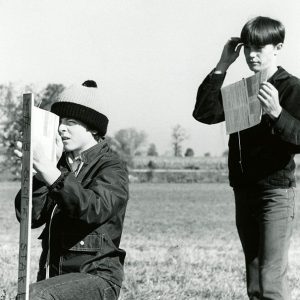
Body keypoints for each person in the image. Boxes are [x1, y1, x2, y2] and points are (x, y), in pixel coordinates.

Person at [193, 16, 300, 300]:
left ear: (278, 47)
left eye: (260, 47)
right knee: (254, 283)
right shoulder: (244, 89)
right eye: (248, 47)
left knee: (271, 282)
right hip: (244, 191)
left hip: (276, 193)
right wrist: (222, 65)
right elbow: (205, 113)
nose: (252, 55)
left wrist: (278, 113)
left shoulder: (291, 88)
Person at [15, 80, 129, 300]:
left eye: (71, 121)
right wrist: (38, 175)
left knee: (33, 297)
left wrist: (52, 174)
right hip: (53, 277)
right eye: (59, 121)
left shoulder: (112, 167)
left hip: (96, 277)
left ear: (93, 127)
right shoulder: (57, 165)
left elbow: (94, 208)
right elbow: (30, 218)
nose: (61, 128)